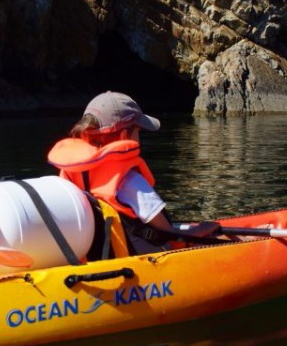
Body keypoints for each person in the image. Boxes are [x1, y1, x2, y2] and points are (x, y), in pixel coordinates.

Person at [47, 91, 217, 255]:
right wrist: (201, 230)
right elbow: (170, 235)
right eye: (138, 132)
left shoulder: (72, 174)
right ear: (123, 136)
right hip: (141, 260)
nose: (139, 137)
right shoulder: (129, 180)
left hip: (96, 254)